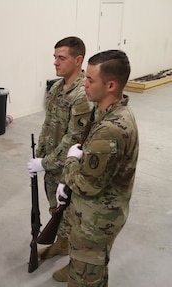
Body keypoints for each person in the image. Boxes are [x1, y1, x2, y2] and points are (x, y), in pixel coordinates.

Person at [58, 49, 138, 286]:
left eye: (91, 80)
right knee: (96, 275)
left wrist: (71, 161)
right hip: (98, 217)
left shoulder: (111, 129)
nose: (84, 84)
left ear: (111, 85)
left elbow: (87, 185)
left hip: (94, 223)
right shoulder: (110, 114)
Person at [26, 36, 92, 278]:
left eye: (61, 58)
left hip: (70, 167)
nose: (55, 62)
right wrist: (40, 154)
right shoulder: (56, 87)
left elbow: (74, 138)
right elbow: (48, 125)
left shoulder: (82, 94)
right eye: (54, 57)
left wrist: (45, 162)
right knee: (57, 210)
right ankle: (61, 244)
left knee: (73, 216)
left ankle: (75, 263)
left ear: (78, 60)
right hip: (52, 165)